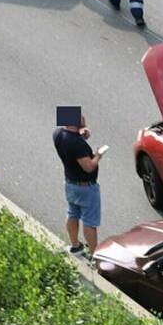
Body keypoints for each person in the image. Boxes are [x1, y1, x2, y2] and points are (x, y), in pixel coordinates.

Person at [52, 108, 102, 256]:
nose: (83, 118)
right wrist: (98, 155)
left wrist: (81, 136)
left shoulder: (58, 134)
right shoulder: (77, 144)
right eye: (80, 116)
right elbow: (88, 167)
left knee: (72, 213)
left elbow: (70, 144)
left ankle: (75, 245)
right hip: (85, 188)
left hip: (70, 183)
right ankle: (94, 256)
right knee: (89, 222)